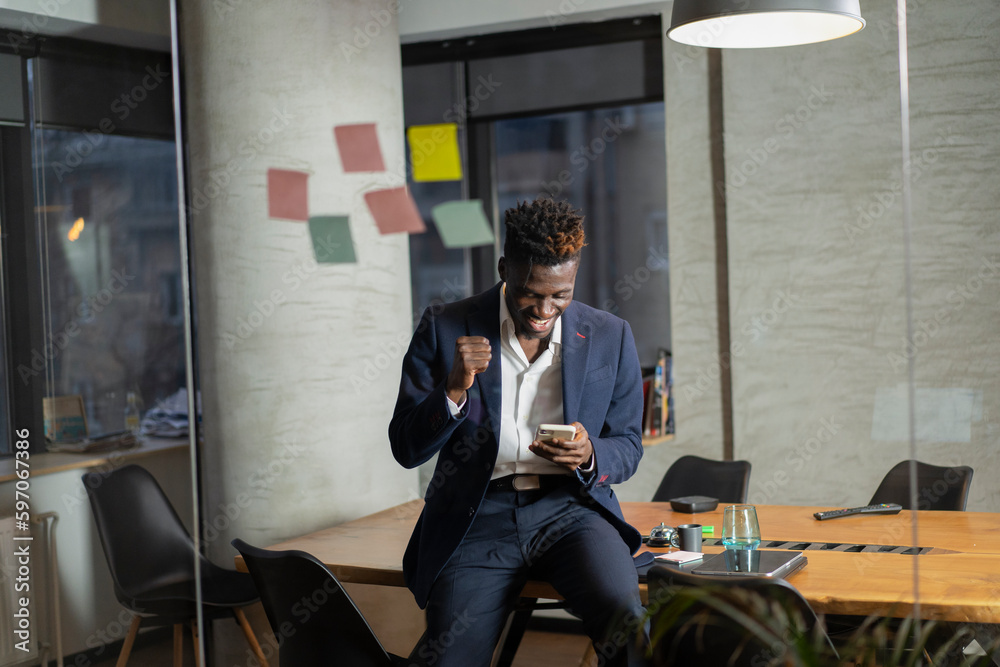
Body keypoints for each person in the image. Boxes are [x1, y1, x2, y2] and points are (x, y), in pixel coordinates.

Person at [389, 198, 647, 666]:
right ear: (506, 267)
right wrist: (452, 392)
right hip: (477, 515)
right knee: (449, 654)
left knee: (625, 617)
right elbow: (405, 448)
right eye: (531, 292)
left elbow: (628, 446)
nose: (545, 309)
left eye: (560, 295)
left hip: (572, 511)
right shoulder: (446, 327)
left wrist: (590, 455)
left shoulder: (611, 335)